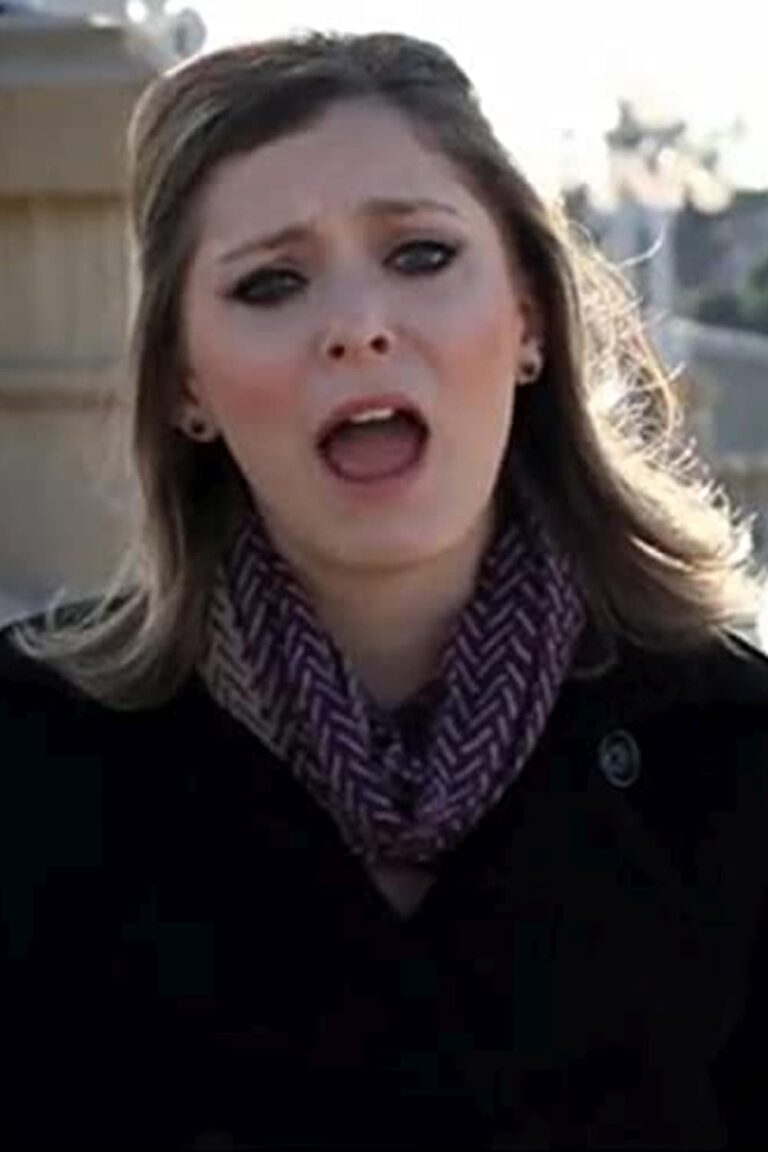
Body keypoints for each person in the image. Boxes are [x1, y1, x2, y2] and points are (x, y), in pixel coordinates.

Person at [1, 30, 767, 1151]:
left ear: (529, 320)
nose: (359, 327)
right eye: (271, 282)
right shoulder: (33, 760)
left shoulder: (732, 751)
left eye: (420, 254)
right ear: (184, 386)